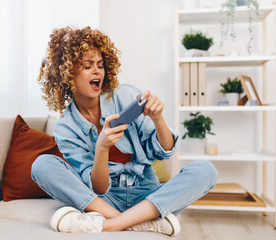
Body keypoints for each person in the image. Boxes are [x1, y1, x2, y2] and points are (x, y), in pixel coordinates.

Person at [32, 26, 217, 236]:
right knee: (42, 165)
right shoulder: (66, 128)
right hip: (104, 200)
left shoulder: (125, 95)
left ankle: (111, 224)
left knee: (205, 170)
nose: (97, 71)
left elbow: (163, 151)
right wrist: (102, 147)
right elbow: (99, 188)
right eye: (87, 66)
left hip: (146, 192)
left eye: (101, 65)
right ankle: (144, 221)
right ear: (67, 74)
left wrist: (158, 120)